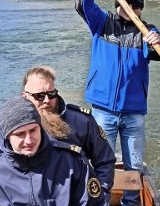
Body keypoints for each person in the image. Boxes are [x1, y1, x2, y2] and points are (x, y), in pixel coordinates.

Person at [75, 0, 160, 206]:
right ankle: (98, 205)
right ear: (118, 4)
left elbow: (158, 54)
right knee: (100, 160)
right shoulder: (102, 24)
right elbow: (82, 5)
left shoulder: (146, 32)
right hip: (103, 110)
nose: (130, 10)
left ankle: (130, 205)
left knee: (134, 162)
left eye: (135, 7)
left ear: (140, 8)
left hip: (134, 111)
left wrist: (156, 41)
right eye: (126, 5)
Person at [20, 65, 115, 199]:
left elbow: (105, 160)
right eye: (39, 96)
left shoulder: (82, 121)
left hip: (77, 205)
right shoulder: (14, 128)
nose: (47, 100)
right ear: (25, 96)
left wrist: (100, 197)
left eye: (51, 94)